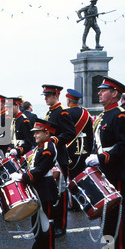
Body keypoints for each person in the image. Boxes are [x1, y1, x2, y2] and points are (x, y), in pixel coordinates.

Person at [86, 76, 125, 249]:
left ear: (114, 94)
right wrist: (94, 158)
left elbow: (124, 145)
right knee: (106, 212)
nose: (99, 93)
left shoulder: (120, 115)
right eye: (99, 90)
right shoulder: (104, 115)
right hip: (103, 170)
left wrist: (102, 158)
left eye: (103, 90)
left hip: (115, 170)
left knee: (117, 213)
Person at [20, 118, 59, 249]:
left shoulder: (48, 148)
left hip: (45, 189)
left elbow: (41, 169)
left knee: (45, 225)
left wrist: (23, 177)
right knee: (36, 224)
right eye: (34, 133)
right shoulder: (41, 146)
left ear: (46, 132)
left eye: (37, 132)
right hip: (38, 187)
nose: (35, 135)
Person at [42, 84, 76, 238]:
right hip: (51, 155)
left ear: (56, 95)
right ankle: (54, 221)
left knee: (60, 192)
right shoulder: (51, 112)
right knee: (52, 190)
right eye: (45, 95)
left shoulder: (61, 113)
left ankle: (61, 225)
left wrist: (55, 140)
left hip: (60, 156)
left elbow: (70, 133)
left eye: (48, 95)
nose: (45, 98)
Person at [65, 89, 94, 180]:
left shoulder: (66, 113)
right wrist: (89, 150)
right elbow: (90, 135)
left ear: (68, 100)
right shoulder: (86, 113)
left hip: (69, 150)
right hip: (85, 149)